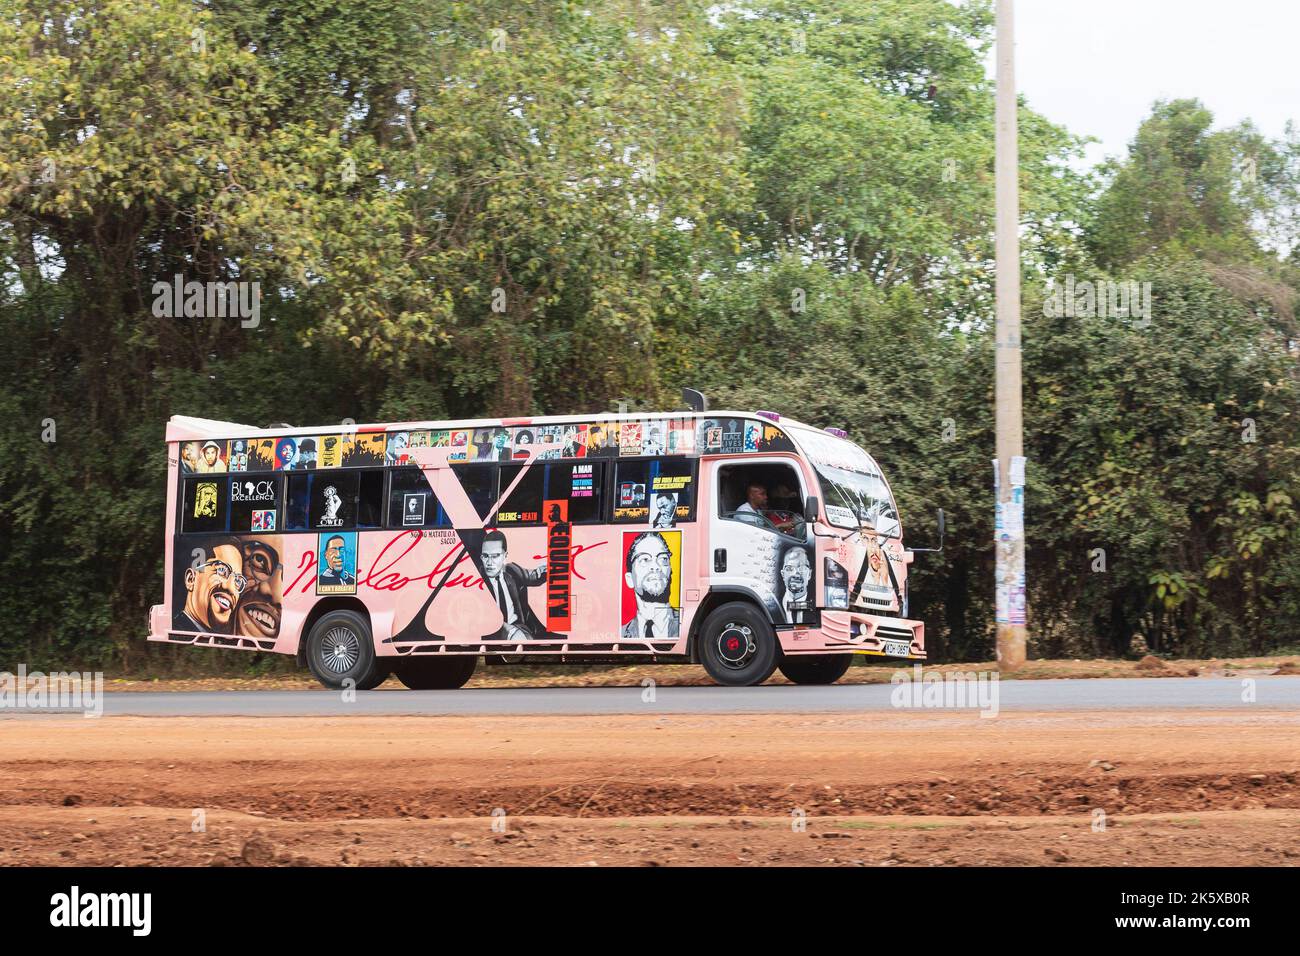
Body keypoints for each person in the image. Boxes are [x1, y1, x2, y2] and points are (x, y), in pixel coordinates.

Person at [479, 530, 549, 640]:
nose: (489, 562)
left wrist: (554, 563)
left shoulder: (512, 570)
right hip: (493, 631)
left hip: (519, 628)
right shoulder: (477, 579)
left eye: (495, 556)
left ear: (505, 556)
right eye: (485, 556)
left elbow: (536, 576)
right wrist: (509, 631)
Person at [174, 538, 245, 633]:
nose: (231, 588)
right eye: (221, 570)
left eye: (238, 581)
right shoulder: (178, 629)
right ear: (191, 579)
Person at [621, 531, 680, 639]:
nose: (655, 566)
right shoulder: (622, 632)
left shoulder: (684, 623)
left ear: (670, 572)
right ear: (629, 579)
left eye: (663, 559)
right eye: (644, 559)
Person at [778, 546, 813, 624]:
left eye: (802, 568)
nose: (796, 574)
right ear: (783, 574)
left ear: (809, 574)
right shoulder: (775, 603)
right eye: (790, 569)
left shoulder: (815, 604)